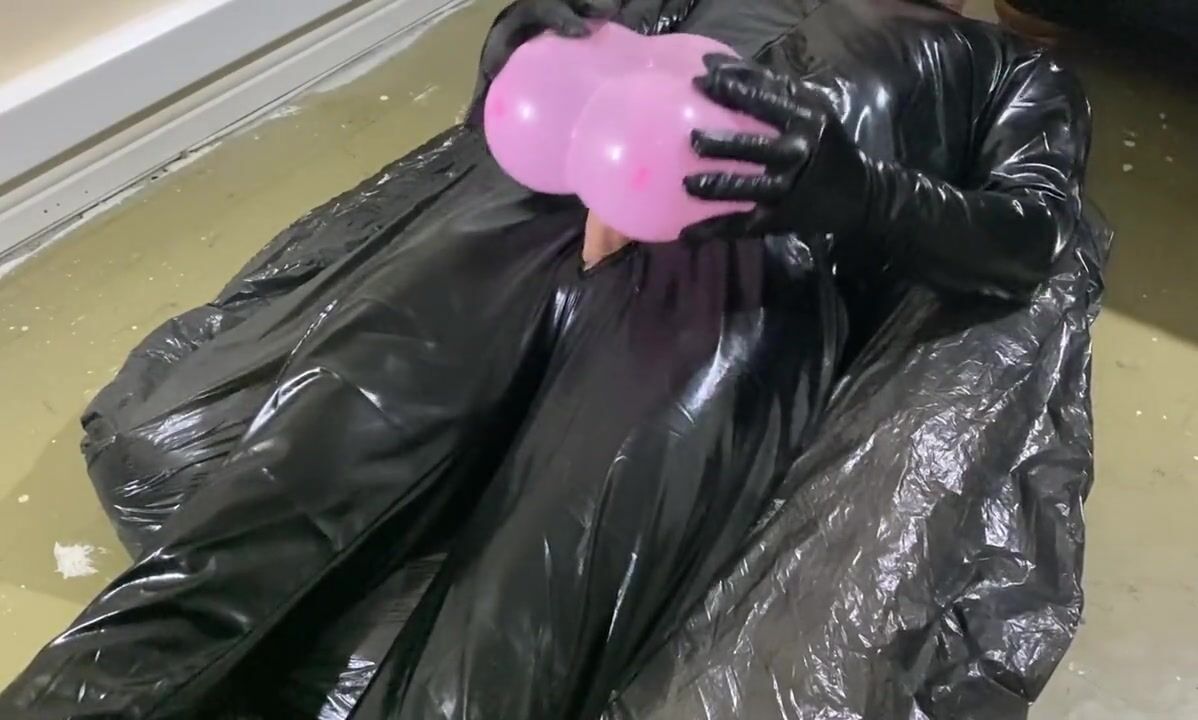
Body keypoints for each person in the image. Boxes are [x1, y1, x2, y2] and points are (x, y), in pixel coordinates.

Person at [0, 1, 1091, 719]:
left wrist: (864, 193)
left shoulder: (1001, 67)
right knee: (256, 521)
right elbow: (532, 64)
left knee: (509, 641)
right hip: (521, 223)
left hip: (740, 302)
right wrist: (516, 44)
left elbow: (1032, 236)